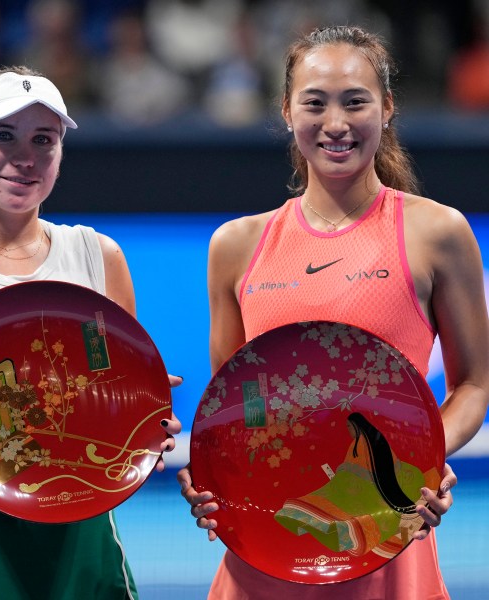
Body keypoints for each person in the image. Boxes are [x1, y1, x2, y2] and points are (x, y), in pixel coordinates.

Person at [178, 25, 489, 599]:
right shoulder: (235, 245)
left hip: (384, 533)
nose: (336, 123)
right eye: (315, 103)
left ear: (388, 108)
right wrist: (214, 483)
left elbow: (474, 383)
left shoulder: (437, 232)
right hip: (270, 540)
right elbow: (234, 408)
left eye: (356, 101)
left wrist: (413, 467)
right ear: (287, 110)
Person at [0, 65, 181, 599]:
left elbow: (119, 410)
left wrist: (144, 423)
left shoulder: (100, 258)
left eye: (43, 140)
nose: (25, 157)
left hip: (84, 532)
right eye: (2, 136)